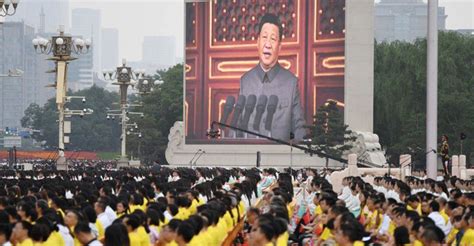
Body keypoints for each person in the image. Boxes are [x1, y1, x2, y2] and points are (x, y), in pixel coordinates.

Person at [239, 13, 306, 141]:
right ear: (257, 42)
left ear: (279, 47)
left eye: (273, 39)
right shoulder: (245, 81)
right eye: (264, 37)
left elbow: (299, 128)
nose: (268, 44)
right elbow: (237, 127)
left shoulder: (291, 83)